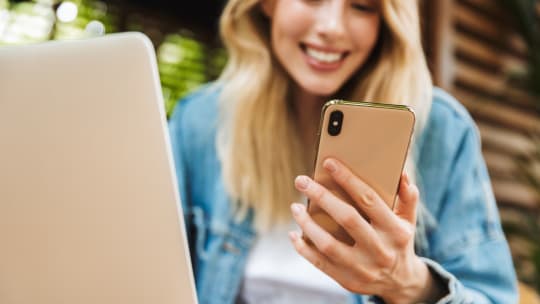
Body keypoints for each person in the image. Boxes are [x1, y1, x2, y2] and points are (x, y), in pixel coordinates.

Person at [168, 0, 518, 303]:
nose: (332, 28)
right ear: (266, 3)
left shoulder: (441, 130)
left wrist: (408, 282)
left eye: (362, 6)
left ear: (386, 20)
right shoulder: (200, 122)